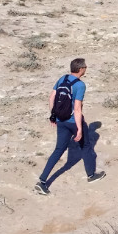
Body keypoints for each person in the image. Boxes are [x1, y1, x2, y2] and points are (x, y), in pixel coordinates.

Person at [35, 58, 106, 195]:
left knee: (58, 150)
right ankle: (91, 175)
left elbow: (51, 97)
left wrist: (53, 116)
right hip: (73, 121)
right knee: (85, 146)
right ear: (80, 69)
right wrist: (79, 128)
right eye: (85, 66)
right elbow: (77, 108)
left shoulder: (62, 78)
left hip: (61, 120)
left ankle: (42, 181)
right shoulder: (80, 85)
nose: (86, 68)